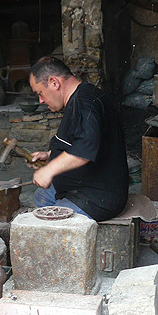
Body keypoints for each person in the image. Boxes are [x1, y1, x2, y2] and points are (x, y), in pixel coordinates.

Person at [28, 56, 129, 222]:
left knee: (52, 219)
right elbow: (80, 140)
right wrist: (50, 155)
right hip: (85, 185)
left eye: (40, 93)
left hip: (99, 197)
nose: (41, 100)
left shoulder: (85, 103)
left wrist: (49, 170)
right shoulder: (79, 98)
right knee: (42, 196)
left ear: (54, 82)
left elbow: (84, 149)